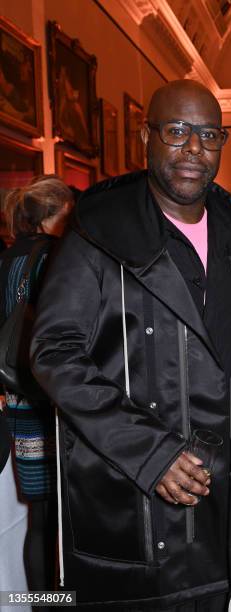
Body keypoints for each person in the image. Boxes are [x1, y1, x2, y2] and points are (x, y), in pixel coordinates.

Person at [31, 80, 231, 611]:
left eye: (208, 135)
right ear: (147, 136)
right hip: (136, 486)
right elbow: (54, 351)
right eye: (177, 131)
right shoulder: (97, 231)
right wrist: (151, 451)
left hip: (227, 488)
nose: (193, 149)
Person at [0, 175, 73, 595]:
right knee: (58, 518)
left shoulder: (8, 257)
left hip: (16, 399)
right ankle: (57, 599)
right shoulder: (55, 256)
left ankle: (39, 603)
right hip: (50, 401)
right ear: (57, 213)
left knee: (37, 518)